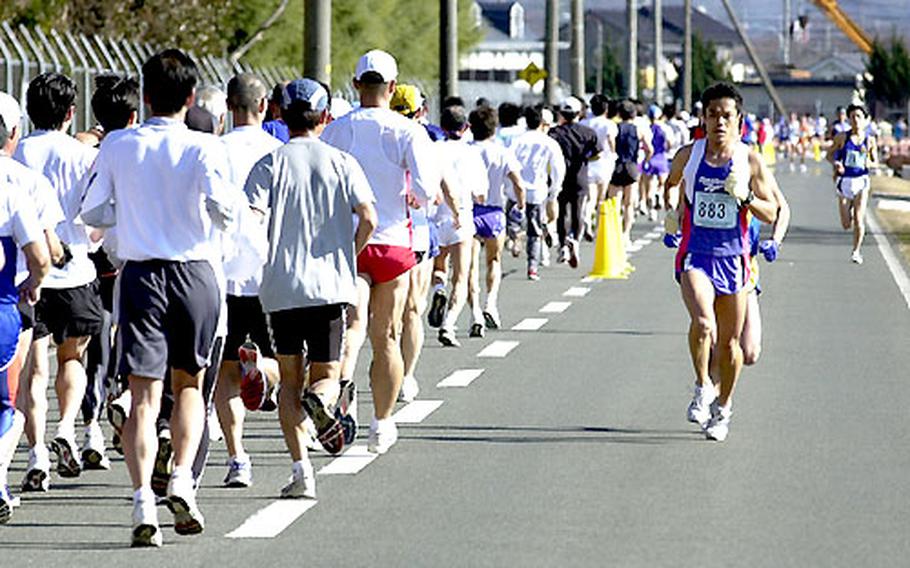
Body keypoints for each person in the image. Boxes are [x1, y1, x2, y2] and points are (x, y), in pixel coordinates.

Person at [81, 49, 236, 547]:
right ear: (190, 98)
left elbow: (92, 211)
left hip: (141, 273)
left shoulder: (119, 145)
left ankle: (143, 499)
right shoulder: (204, 146)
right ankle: (185, 482)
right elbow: (223, 209)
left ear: (145, 95)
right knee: (190, 386)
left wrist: (127, 213)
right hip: (195, 272)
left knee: (144, 396)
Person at [246, 78, 376, 499]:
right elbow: (369, 217)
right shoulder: (342, 162)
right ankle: (321, 402)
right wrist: (348, 253)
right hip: (330, 287)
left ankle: (302, 470)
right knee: (326, 375)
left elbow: (251, 217)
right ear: (324, 117)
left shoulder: (269, 163)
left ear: (280, 116)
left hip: (282, 288)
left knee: (287, 381)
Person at [322, 50, 439, 454]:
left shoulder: (337, 130)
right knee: (386, 335)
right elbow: (426, 192)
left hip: (348, 241)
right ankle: (381, 423)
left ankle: (337, 398)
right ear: (392, 87)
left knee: (348, 329)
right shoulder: (408, 131)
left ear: (356, 85)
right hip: (393, 243)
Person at [664, 82, 779, 442]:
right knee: (703, 321)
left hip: (735, 260)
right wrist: (673, 209)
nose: (719, 122)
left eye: (726, 115)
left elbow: (771, 210)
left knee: (731, 345)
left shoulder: (749, 160)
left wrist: (744, 196)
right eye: (712, 114)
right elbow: (670, 183)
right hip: (696, 254)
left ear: (738, 120)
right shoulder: (690, 155)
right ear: (703, 117)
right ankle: (702, 386)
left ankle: (723, 408)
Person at [14, 72, 105, 482]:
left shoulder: (17, 154)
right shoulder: (83, 155)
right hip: (76, 268)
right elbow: (97, 213)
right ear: (72, 112)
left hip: (28, 273)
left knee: (35, 369)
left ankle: (36, 455)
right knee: (74, 357)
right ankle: (67, 427)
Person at [211, 73, 283, 490]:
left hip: (223, 276)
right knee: (287, 363)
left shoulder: (213, 151)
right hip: (269, 276)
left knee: (225, 374)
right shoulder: (278, 153)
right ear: (264, 107)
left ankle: (238, 458)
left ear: (228, 107)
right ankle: (265, 374)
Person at [77, 74, 141, 468]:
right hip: (127, 261)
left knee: (96, 349)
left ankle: (93, 428)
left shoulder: (91, 151)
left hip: (92, 261)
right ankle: (117, 416)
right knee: (126, 348)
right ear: (135, 114)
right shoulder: (137, 151)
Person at [0, 91, 53, 522]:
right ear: (12, 133)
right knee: (5, 405)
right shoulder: (15, 187)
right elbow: (40, 255)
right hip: (4, 306)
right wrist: (34, 286)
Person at [390, 84, 441, 401]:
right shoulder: (426, 138)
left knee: (383, 316)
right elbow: (433, 188)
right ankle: (406, 375)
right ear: (420, 111)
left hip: (383, 232)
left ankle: (387, 366)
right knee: (412, 310)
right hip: (418, 230)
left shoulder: (378, 131)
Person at [428, 105, 487, 347]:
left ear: (441, 126)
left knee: (438, 267)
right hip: (461, 217)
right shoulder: (471, 154)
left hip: (434, 216)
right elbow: (481, 194)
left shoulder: (432, 149)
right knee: (462, 277)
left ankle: (438, 289)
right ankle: (449, 324)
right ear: (467, 128)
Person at [467, 105, 524, 335]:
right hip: (494, 212)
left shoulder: (466, 150)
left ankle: (475, 315)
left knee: (469, 267)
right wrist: (520, 204)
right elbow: (518, 183)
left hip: (469, 211)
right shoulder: (502, 151)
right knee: (494, 261)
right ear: (494, 127)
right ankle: (491, 303)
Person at [511, 106, 566, 280]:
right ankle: (532, 267)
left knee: (512, 223)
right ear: (542, 123)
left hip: (516, 190)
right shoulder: (549, 142)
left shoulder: (517, 141)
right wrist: (554, 191)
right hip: (537, 190)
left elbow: (508, 164)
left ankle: (515, 237)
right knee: (534, 231)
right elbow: (558, 169)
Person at [548, 96, 601, 269]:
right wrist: (585, 158)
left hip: (561, 177)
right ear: (579, 113)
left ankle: (563, 245)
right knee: (578, 210)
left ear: (561, 113)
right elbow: (597, 153)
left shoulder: (554, 133)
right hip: (580, 176)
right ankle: (575, 240)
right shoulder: (587, 133)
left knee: (562, 211)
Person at [828, 104, 877, 265]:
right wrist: (836, 164)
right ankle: (846, 210)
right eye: (853, 116)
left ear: (865, 120)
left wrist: (869, 162)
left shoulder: (870, 140)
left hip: (862, 180)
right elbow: (829, 155)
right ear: (849, 119)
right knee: (846, 224)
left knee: (858, 219)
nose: (856, 120)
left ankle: (856, 251)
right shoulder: (842, 137)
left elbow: (875, 161)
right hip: (845, 181)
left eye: (859, 116)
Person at [609, 100, 652, 246]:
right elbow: (649, 148)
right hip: (632, 166)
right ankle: (625, 234)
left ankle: (613, 232)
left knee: (614, 202)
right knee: (629, 203)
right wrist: (645, 161)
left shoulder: (615, 127)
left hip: (617, 165)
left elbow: (610, 145)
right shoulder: (638, 129)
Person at [581, 94, 617, 242]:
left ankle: (587, 221)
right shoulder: (609, 124)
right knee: (601, 198)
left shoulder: (583, 123)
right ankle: (598, 227)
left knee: (589, 197)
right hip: (604, 163)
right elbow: (610, 140)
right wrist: (614, 153)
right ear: (606, 108)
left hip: (587, 163)